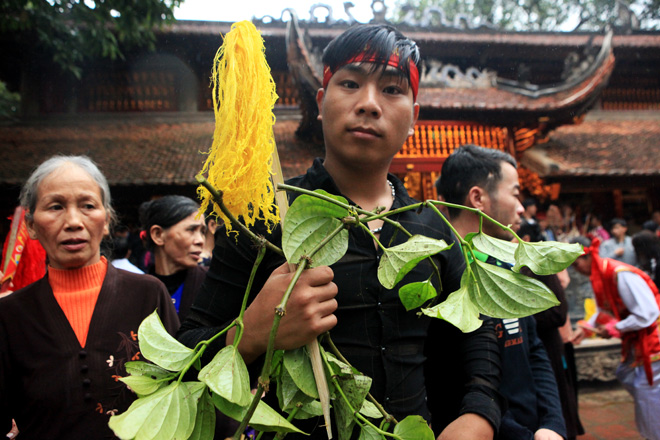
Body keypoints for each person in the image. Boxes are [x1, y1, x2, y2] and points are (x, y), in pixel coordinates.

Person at [178, 24, 503, 439]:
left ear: (414, 117)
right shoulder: (264, 219)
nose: (369, 104)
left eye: (392, 90)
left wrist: (478, 414)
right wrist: (254, 332)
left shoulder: (434, 227)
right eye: (350, 83)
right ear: (320, 102)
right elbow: (185, 353)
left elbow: (478, 337)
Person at [0, 155, 179, 439]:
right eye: (56, 206)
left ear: (106, 220)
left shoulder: (148, 294)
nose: (73, 221)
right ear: (31, 226)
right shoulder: (10, 315)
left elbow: (179, 394)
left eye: (88, 206)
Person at [436, 144, 566, 440]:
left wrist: (553, 423)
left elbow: (533, 349)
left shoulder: (504, 261)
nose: (522, 207)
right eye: (516, 193)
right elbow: (454, 384)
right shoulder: (439, 276)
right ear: (478, 198)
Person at [570, 236, 660, 440]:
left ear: (589, 256)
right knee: (627, 375)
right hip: (638, 338)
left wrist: (615, 328)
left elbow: (648, 314)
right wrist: (585, 329)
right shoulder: (601, 275)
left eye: (577, 264)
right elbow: (603, 309)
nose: (577, 270)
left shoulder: (620, 274)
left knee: (646, 389)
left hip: (653, 338)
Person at [139, 195, 208, 321]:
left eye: (203, 231)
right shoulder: (138, 290)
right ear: (158, 235)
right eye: (191, 230)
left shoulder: (210, 284)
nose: (200, 241)